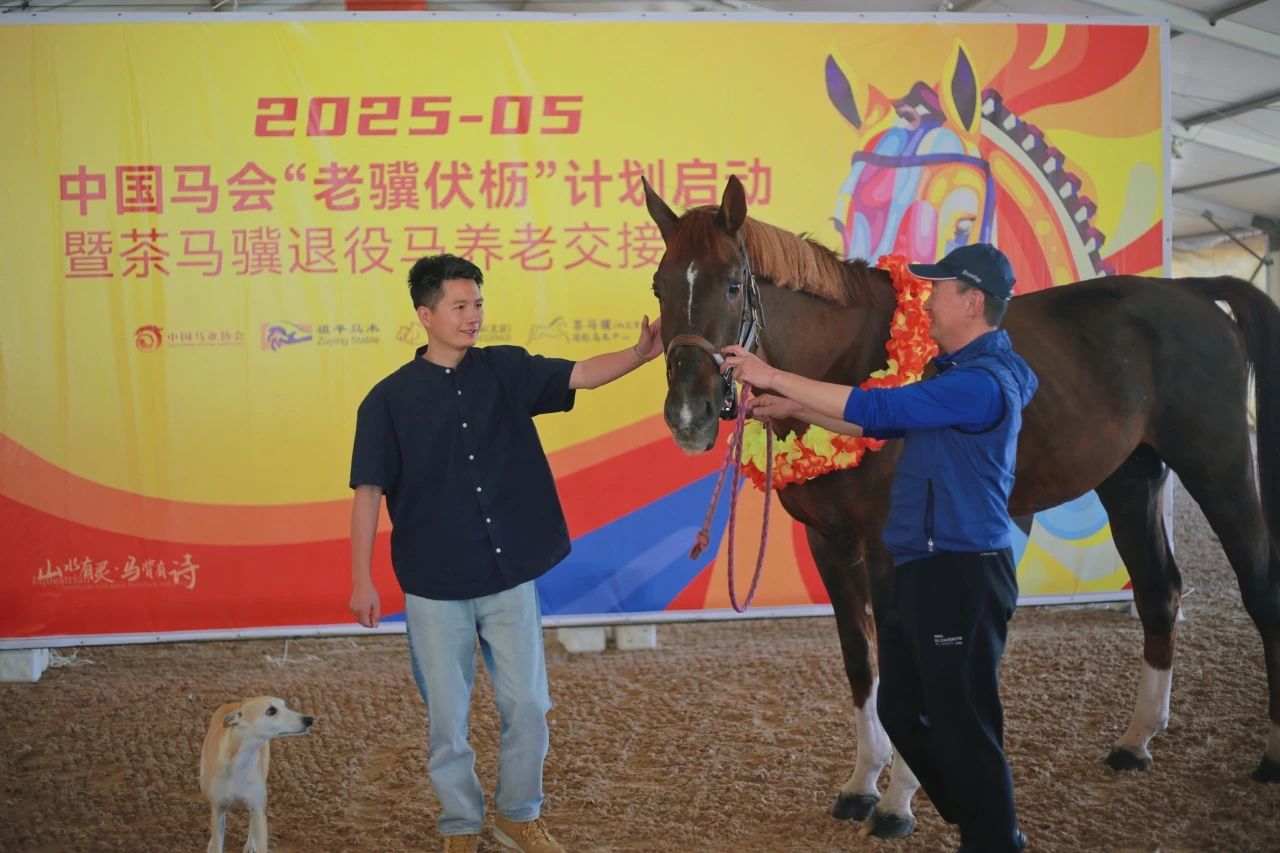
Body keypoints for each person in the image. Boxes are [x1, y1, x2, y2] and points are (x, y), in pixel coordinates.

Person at [722, 242, 1037, 853]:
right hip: (921, 565)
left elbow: (881, 404)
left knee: (965, 720)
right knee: (900, 708)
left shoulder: (982, 384)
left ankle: (995, 837)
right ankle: (976, 813)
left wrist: (772, 374)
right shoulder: (952, 377)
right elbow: (878, 421)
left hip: (964, 570)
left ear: (972, 302)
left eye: (939, 289)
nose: (927, 299)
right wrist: (793, 406)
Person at [348, 253, 662, 853]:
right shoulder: (386, 401)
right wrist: (361, 579)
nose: (473, 316)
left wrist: (639, 354)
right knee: (447, 719)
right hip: (434, 585)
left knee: (529, 704)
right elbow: (367, 494)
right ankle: (460, 826)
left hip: (508, 574)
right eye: (459, 306)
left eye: (478, 303)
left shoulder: (506, 369)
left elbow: (581, 374)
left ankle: (517, 815)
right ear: (426, 315)